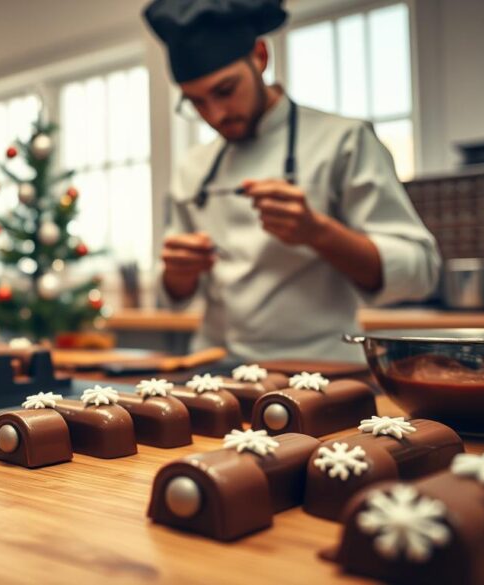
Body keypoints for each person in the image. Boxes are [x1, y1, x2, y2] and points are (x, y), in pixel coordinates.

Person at [144, 0, 440, 362]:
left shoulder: (344, 141)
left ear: (260, 56)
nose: (215, 115)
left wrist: (317, 232)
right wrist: (178, 273)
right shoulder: (193, 167)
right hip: (214, 368)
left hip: (322, 369)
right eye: (196, 103)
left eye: (225, 91)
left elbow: (420, 271)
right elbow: (172, 298)